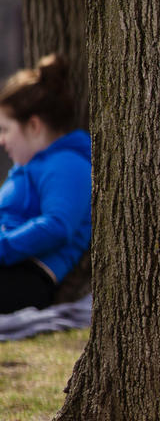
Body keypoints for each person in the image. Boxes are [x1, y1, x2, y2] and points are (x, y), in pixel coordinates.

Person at [0, 54, 92, 314]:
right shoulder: (30, 167)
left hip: (27, 277)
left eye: (6, 130)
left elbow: (58, 225)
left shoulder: (68, 164)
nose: (2, 140)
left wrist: (2, 247)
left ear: (33, 125)